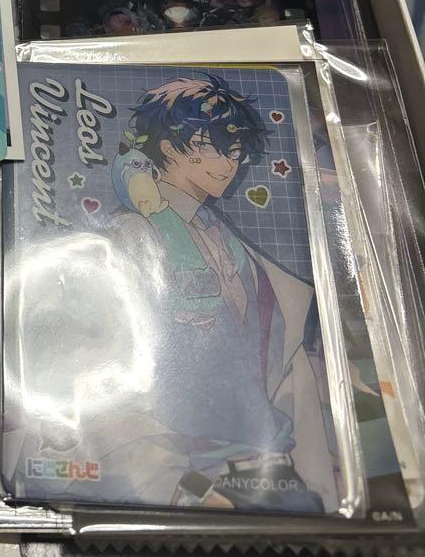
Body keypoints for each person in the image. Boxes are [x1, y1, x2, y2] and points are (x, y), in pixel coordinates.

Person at [98, 74, 336, 512]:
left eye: (235, 150)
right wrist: (179, 487)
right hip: (187, 478)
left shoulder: (225, 237)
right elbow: (108, 374)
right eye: (209, 146)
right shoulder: (135, 235)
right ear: (169, 148)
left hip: (268, 468)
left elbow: (276, 351)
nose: (228, 163)